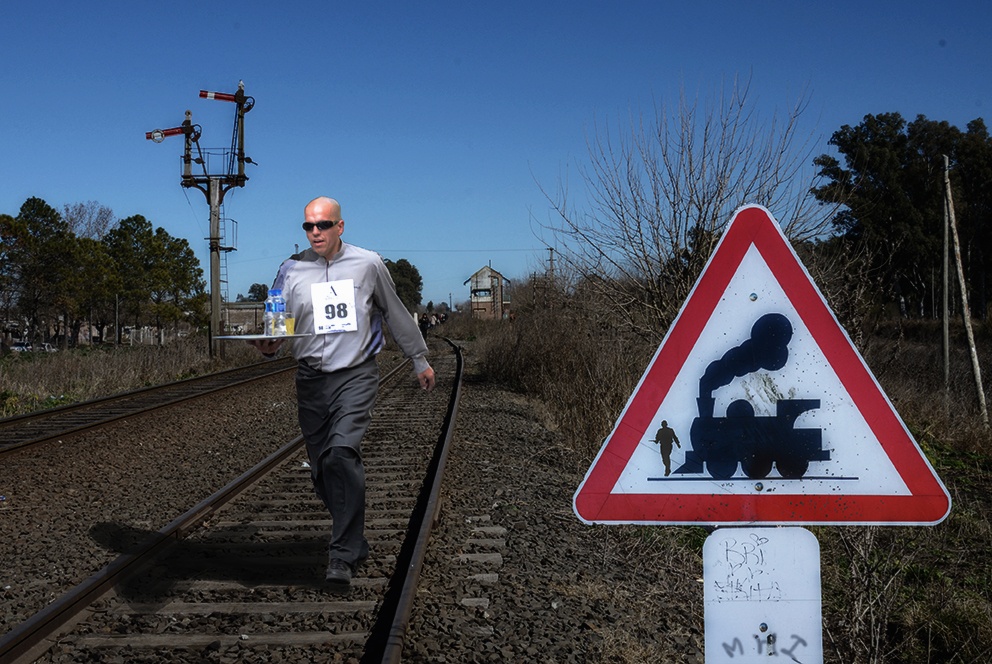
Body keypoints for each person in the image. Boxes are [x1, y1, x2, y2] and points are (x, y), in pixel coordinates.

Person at [250, 196, 435, 592]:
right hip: (311, 379)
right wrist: (271, 344)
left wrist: (419, 358)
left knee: (341, 454)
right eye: (308, 226)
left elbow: (395, 311)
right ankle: (355, 540)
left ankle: (341, 555)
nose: (315, 232)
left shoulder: (368, 264)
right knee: (321, 473)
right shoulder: (290, 268)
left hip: (356, 375)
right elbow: (276, 321)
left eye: (323, 225)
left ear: (340, 226)